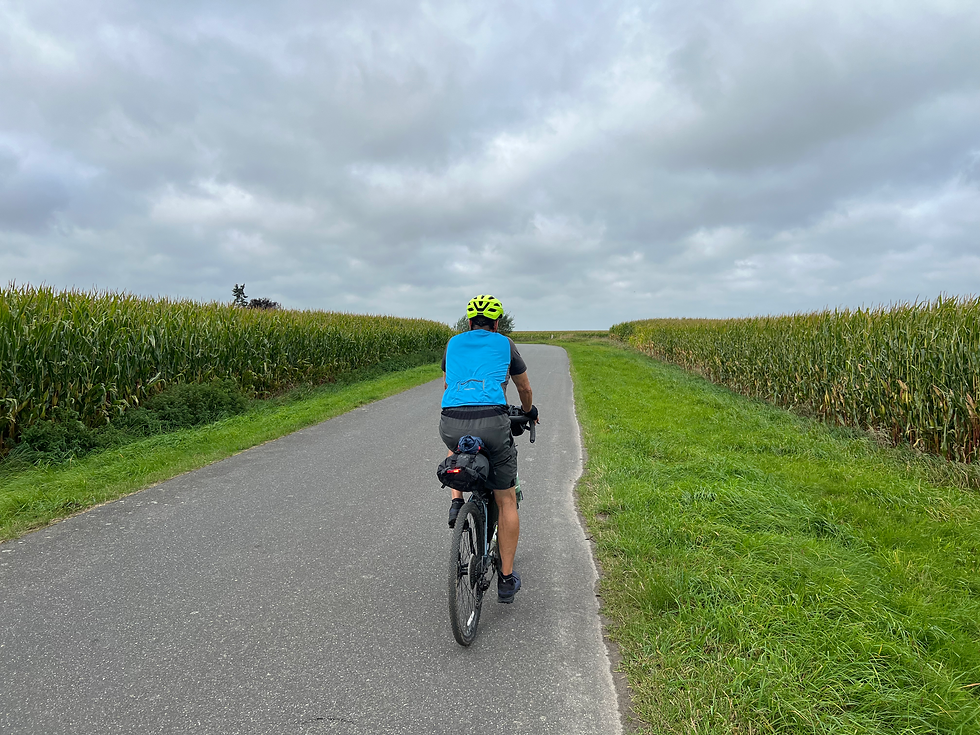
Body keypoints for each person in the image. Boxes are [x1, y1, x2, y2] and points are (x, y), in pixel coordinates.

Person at [440, 294, 538, 604]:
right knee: (506, 499)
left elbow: (447, 385)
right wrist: (529, 410)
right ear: (496, 323)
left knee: (456, 446)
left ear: (468, 322)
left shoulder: (453, 344)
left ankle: (457, 502)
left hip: (450, 420)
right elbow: (524, 388)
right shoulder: (504, 344)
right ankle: (506, 581)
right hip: (493, 424)